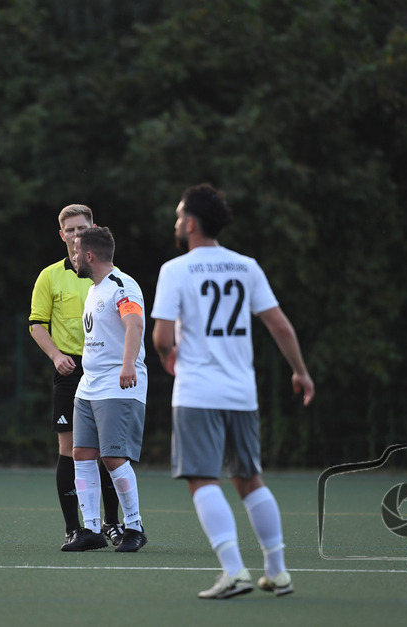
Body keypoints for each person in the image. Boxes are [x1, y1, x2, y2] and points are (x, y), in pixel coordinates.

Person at [151, 183, 314, 599]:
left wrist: (169, 357)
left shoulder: (176, 270)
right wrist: (300, 372)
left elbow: (161, 336)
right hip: (242, 392)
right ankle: (277, 572)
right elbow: (279, 324)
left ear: (190, 223)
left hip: (198, 392)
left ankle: (234, 571)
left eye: (177, 215)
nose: (175, 222)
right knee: (249, 479)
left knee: (203, 479)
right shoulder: (246, 266)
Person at [28, 205, 123, 548]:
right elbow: (36, 323)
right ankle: (75, 528)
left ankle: (112, 524)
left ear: (93, 228)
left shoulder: (109, 275)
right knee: (70, 449)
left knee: (109, 449)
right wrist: (56, 356)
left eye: (82, 228)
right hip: (71, 371)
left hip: (107, 370)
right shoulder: (49, 276)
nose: (76, 234)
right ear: (62, 235)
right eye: (70, 230)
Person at [61, 227, 149, 552]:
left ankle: (134, 527)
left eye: (74, 251)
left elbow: (135, 324)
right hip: (89, 386)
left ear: (88, 255)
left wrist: (128, 364)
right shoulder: (94, 289)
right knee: (81, 454)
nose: (72, 257)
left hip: (117, 383)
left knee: (113, 456)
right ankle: (92, 530)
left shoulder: (121, 286)